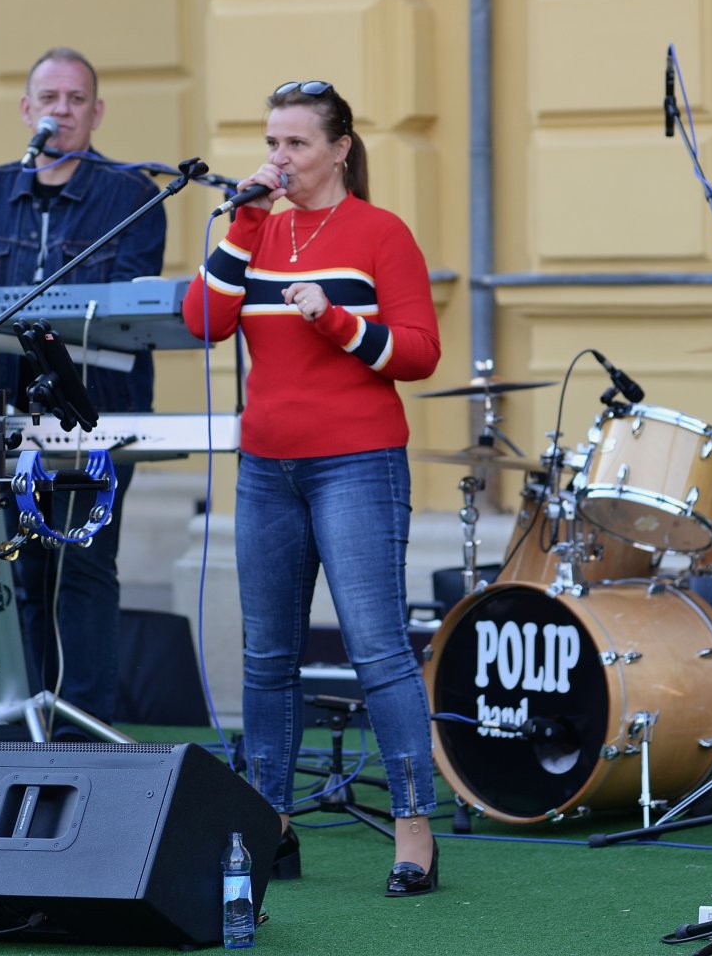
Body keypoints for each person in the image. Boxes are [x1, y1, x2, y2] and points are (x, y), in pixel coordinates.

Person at [181, 80, 443, 896]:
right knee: (267, 657)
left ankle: (412, 826)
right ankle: (271, 823)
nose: (278, 159)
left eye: (295, 144)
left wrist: (336, 321)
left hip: (357, 463)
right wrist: (244, 223)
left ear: (338, 149)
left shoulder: (379, 232)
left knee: (376, 648)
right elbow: (203, 322)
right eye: (271, 143)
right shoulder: (255, 228)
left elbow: (418, 352)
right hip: (267, 468)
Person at [0, 47, 166, 731]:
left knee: (83, 564)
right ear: (26, 111)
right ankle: (23, 719)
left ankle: (85, 728)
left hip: (94, 415)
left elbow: (126, 306)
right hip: (7, 413)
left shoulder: (134, 191)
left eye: (76, 99)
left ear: (96, 112)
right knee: (17, 572)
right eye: (49, 98)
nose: (62, 110)